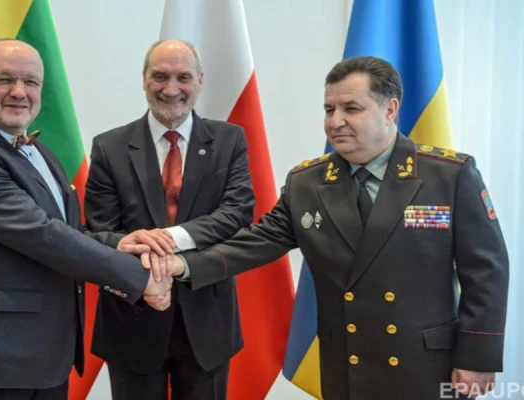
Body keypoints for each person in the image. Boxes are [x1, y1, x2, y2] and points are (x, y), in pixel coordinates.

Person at [172, 56, 509, 399]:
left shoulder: (448, 176)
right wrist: (182, 265)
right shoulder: (308, 183)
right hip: (348, 362)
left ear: (390, 110)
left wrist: (478, 356)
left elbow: (486, 271)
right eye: (329, 110)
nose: (336, 122)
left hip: (426, 363)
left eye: (351, 109)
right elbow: (256, 241)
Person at [0, 39, 171, 400]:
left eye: (31, 82)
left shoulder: (37, 149)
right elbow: (41, 235)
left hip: (44, 357)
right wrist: (139, 277)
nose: (19, 92)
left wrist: (118, 242)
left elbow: (65, 230)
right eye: (4, 79)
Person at [84, 39, 254, 400]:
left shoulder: (229, 140)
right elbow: (100, 231)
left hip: (207, 320)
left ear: (200, 81)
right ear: (144, 79)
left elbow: (237, 212)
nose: (171, 88)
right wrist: (146, 271)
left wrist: (171, 238)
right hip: (132, 319)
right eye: (160, 76)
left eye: (183, 77)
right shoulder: (109, 147)